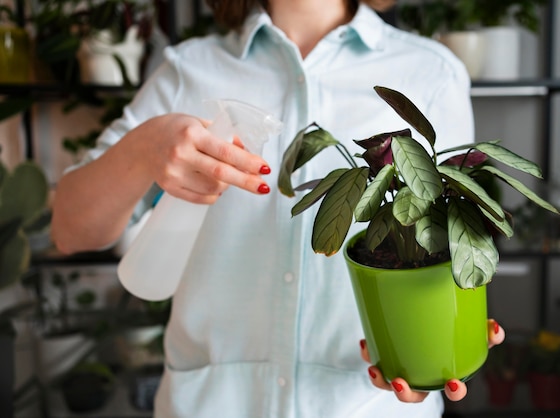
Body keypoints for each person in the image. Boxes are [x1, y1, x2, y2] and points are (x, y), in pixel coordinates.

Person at [51, 0, 505, 416]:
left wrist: (436, 351)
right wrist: (144, 147)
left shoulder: (430, 72)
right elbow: (71, 230)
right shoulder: (187, 70)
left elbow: (446, 248)